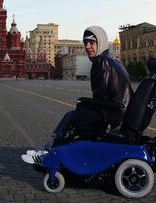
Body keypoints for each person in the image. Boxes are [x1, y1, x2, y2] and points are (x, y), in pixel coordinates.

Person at [21, 25, 134, 164]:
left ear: (101, 43)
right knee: (76, 114)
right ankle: (51, 148)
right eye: (85, 43)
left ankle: (48, 152)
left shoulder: (102, 63)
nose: (87, 46)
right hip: (120, 112)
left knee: (72, 116)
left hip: (114, 115)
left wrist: (84, 105)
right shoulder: (113, 61)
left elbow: (100, 98)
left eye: (92, 43)